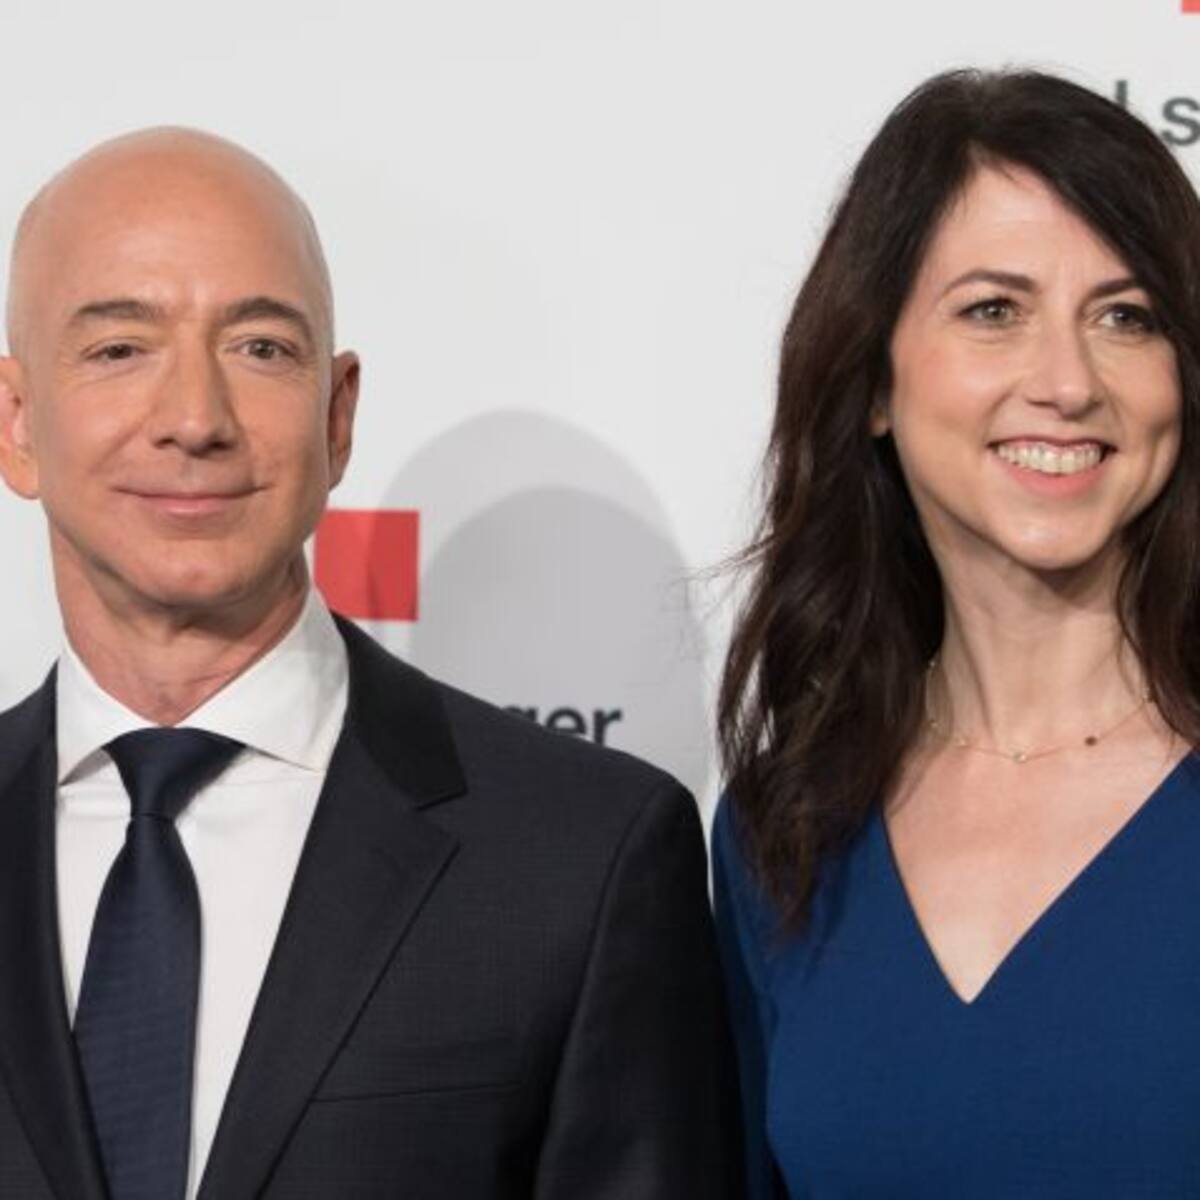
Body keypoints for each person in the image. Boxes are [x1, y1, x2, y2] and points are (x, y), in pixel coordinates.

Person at [0, 128, 737, 1200]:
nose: (195, 419)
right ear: (18, 423)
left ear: (338, 417)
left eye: (260, 348)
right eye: (120, 349)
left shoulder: (583, 855)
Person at [714, 68, 1200, 1198]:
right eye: (994, 311)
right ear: (874, 380)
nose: (1068, 382)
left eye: (1126, 318)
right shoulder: (784, 827)